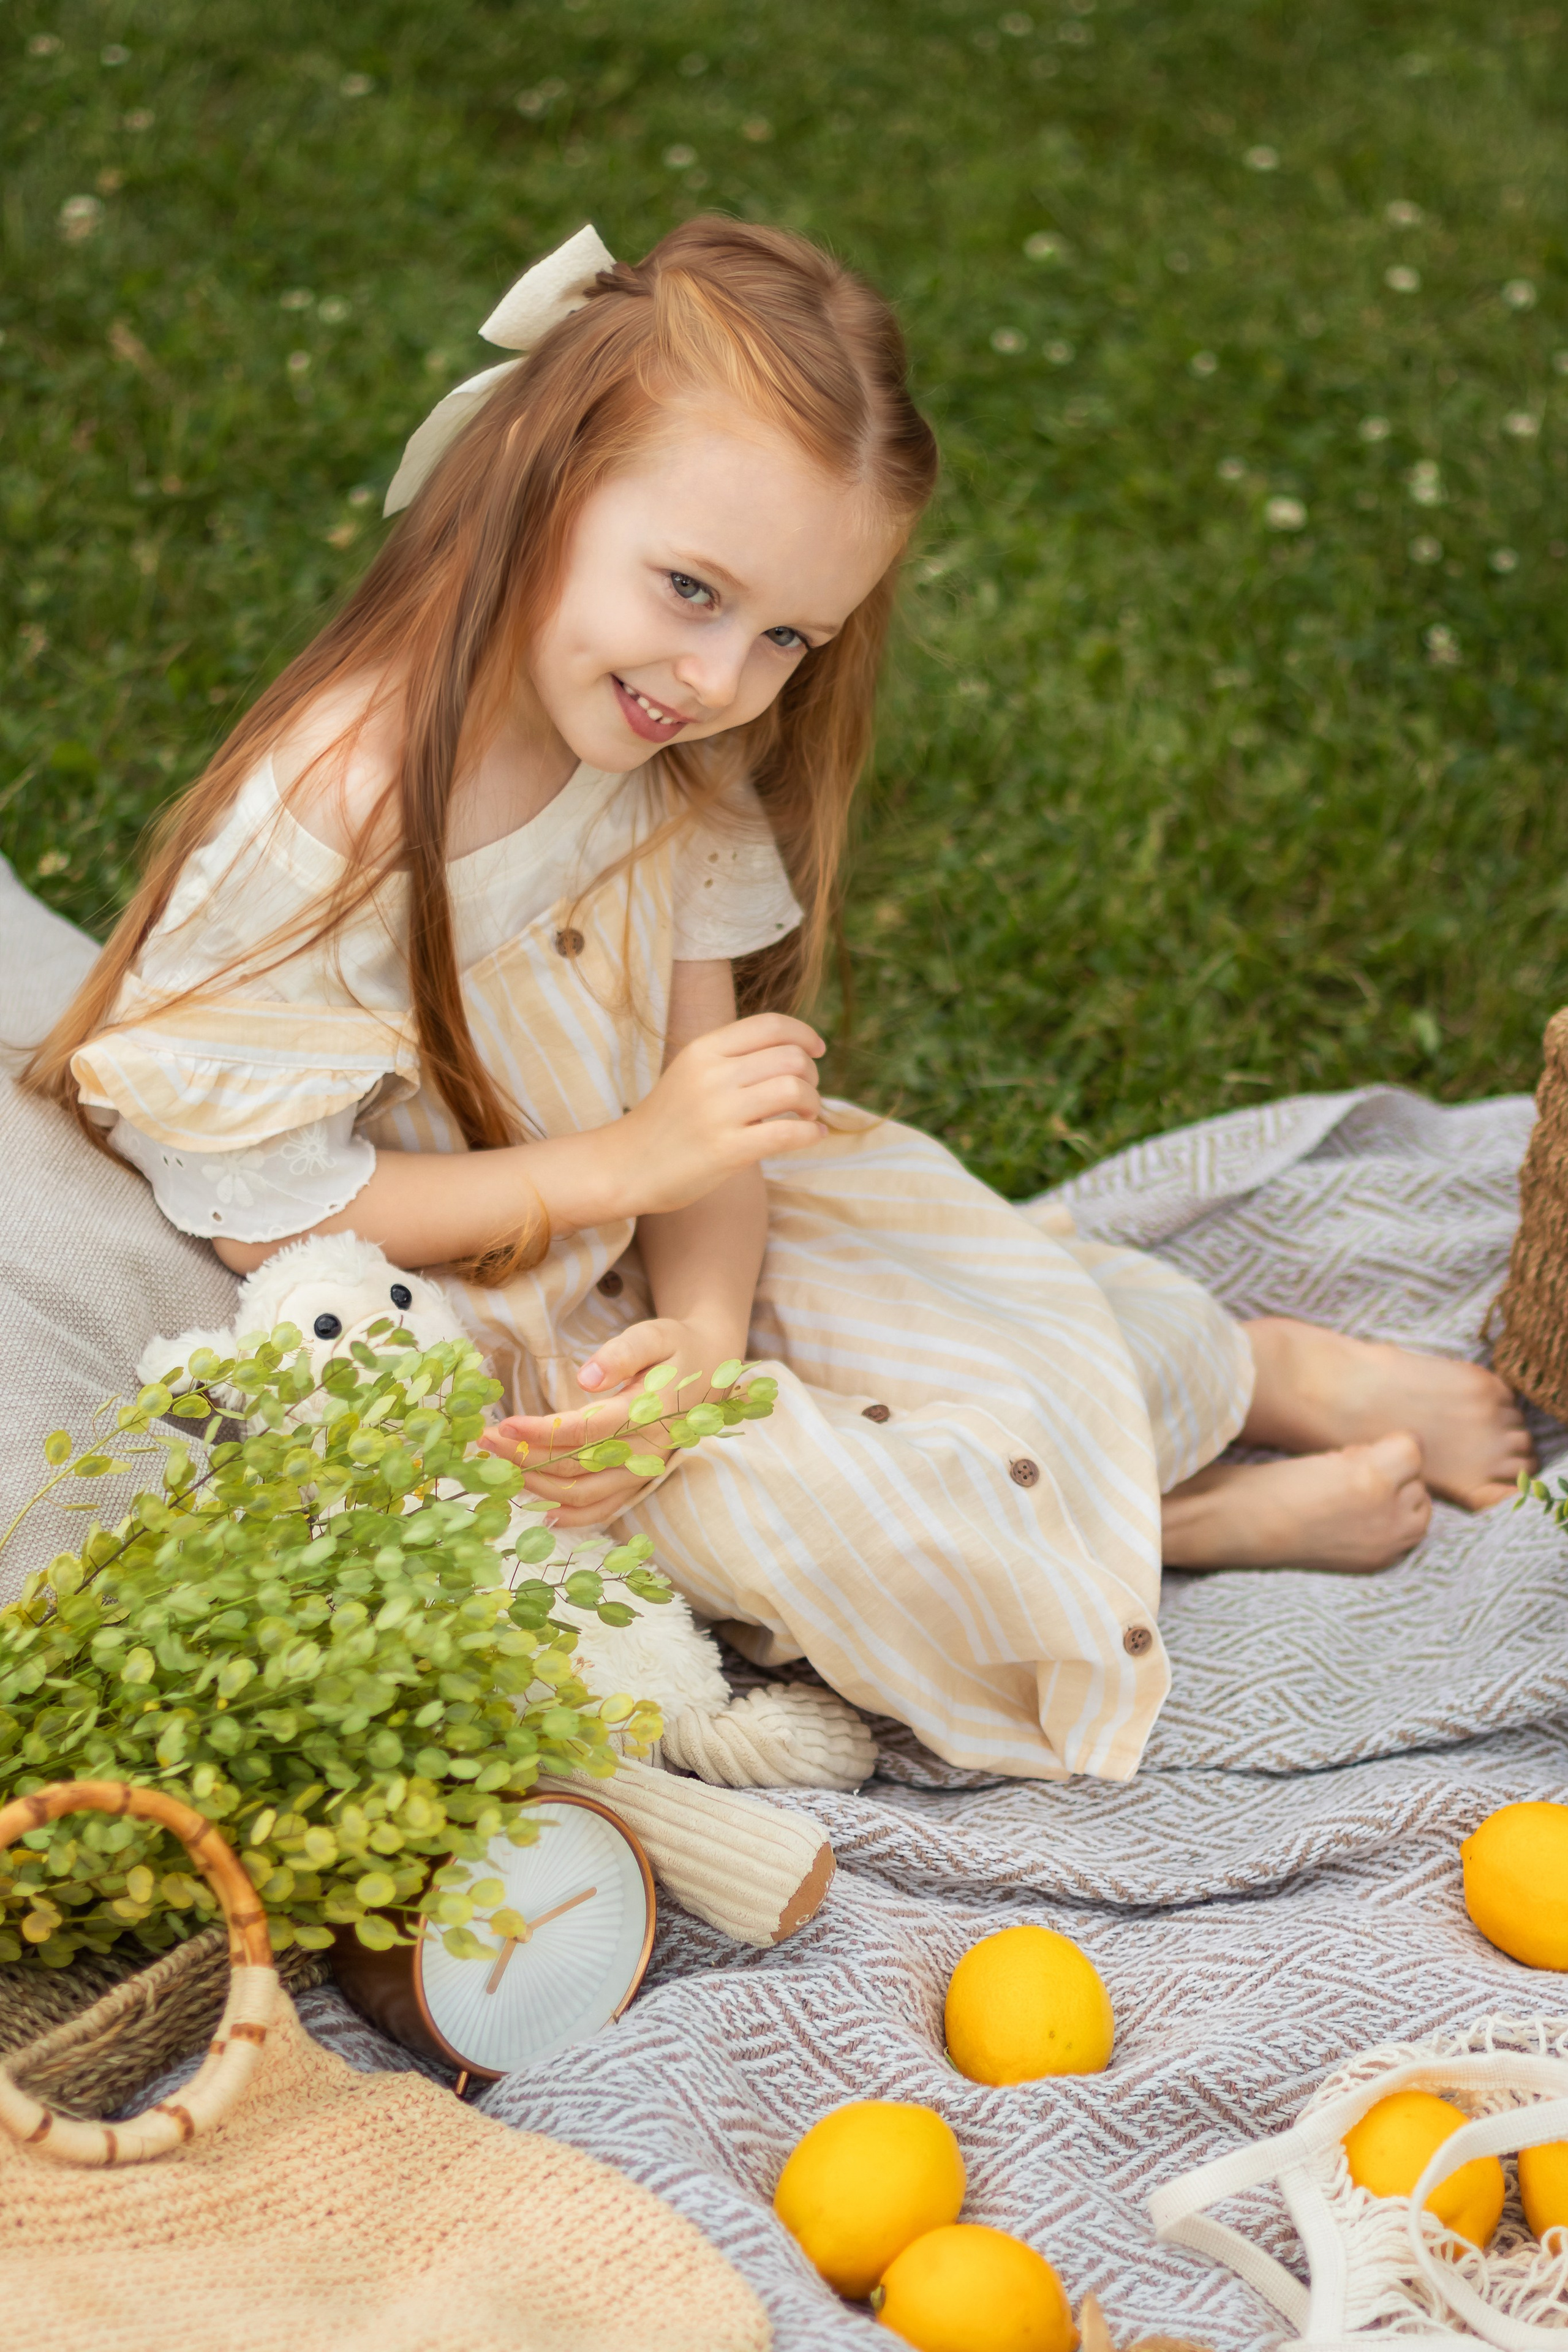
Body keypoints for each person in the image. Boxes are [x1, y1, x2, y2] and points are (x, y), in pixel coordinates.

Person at [27, 219, 1532, 1782]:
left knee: (989, 1311)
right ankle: (1175, 1529)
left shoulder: (680, 751)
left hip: (679, 1237)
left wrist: (698, 1324)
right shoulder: (342, 806)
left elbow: (713, 1117)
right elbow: (263, 1206)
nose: (724, 678)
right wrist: (625, 1172)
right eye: (690, 589)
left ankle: (1247, 1369)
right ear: (536, 485)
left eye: (785, 637)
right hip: (479, 1298)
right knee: (754, 1523)